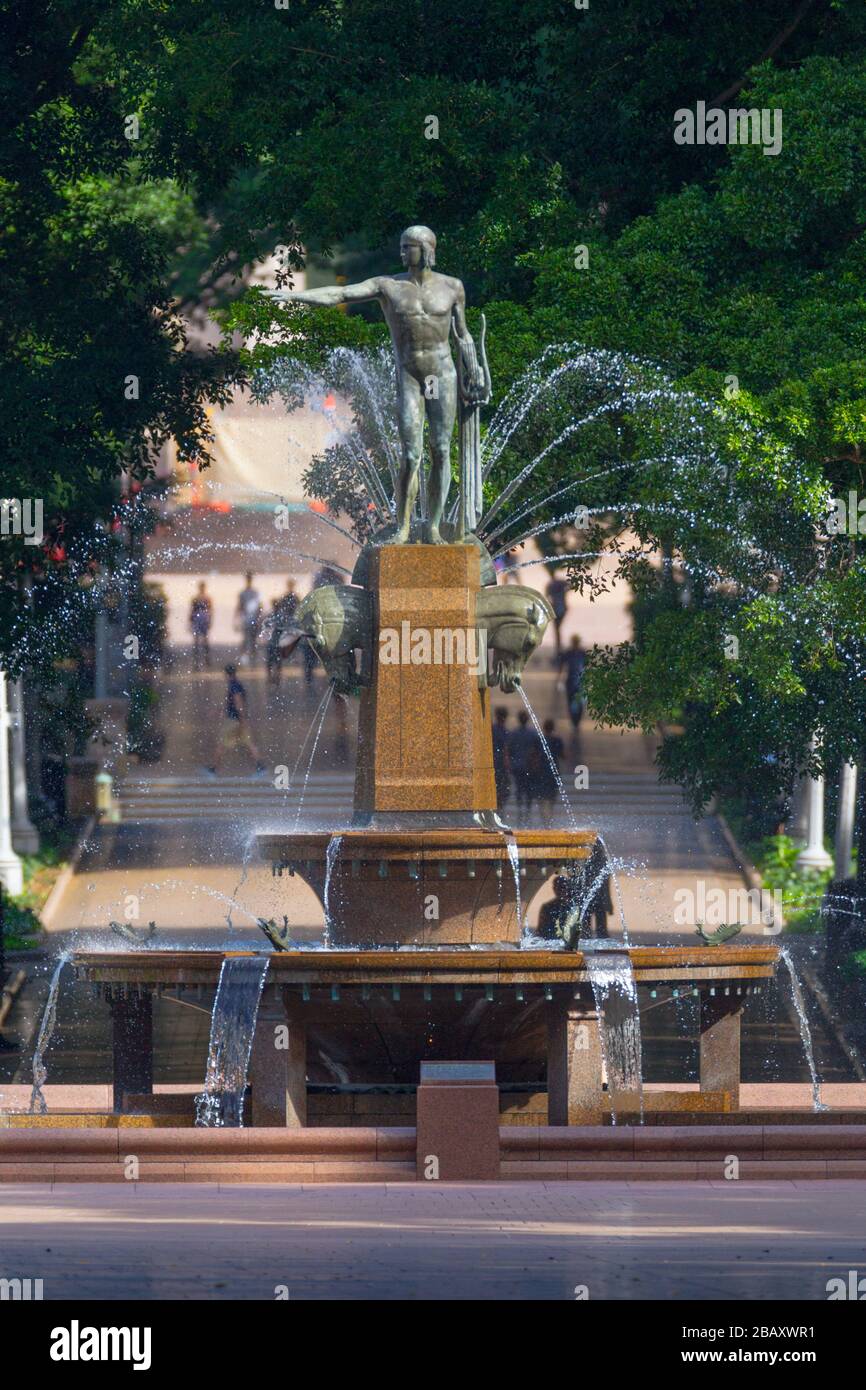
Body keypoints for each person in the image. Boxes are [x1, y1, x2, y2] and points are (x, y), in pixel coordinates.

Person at [207, 664, 264, 774]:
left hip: (233, 721)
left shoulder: (233, 686)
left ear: (227, 674)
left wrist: (241, 719)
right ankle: (260, 765)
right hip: (238, 719)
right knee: (248, 742)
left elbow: (238, 703)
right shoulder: (237, 684)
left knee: (222, 744)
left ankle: (213, 768)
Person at [508, 709, 541, 817]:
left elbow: (509, 750)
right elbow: (537, 750)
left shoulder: (513, 734)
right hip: (528, 766)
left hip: (517, 765)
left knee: (519, 787)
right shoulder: (533, 734)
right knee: (528, 789)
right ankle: (527, 809)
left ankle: (520, 809)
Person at [533, 717, 565, 825]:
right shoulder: (557, 740)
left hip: (541, 771)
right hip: (553, 772)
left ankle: (544, 818)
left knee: (541, 795)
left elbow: (534, 755)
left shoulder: (538, 740)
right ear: (553, 728)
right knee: (551, 796)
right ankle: (549, 817)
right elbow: (563, 755)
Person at [559, 634, 586, 742]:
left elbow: (587, 666)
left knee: (578, 702)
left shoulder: (582, 653)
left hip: (579, 681)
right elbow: (562, 665)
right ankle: (574, 721)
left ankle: (577, 721)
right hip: (571, 681)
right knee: (571, 701)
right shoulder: (568, 653)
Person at [236, 572, 262, 666]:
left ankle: (252, 659)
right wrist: (237, 619)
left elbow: (259, 607)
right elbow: (240, 606)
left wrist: (259, 618)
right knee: (246, 639)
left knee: (253, 640)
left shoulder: (255, 593)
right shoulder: (244, 593)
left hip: (253, 619)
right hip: (247, 619)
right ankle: (244, 659)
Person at [189, 581, 212, 670]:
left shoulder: (204, 598)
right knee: (198, 640)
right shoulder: (198, 598)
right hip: (200, 618)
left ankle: (205, 659)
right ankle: (199, 660)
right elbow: (192, 610)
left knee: (203, 640)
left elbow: (210, 609)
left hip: (202, 618)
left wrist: (209, 620)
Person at [492, 706, 511, 811]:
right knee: (502, 788)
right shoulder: (505, 732)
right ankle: (499, 809)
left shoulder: (492, 730)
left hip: (493, 762)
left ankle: (496, 809)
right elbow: (506, 749)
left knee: (496, 788)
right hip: (500, 764)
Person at [546, 574, 568, 660]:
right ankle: (559, 649)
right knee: (557, 630)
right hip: (561, 608)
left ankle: (559, 649)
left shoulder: (551, 585)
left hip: (557, 609)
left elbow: (547, 596)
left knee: (557, 630)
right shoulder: (560, 584)